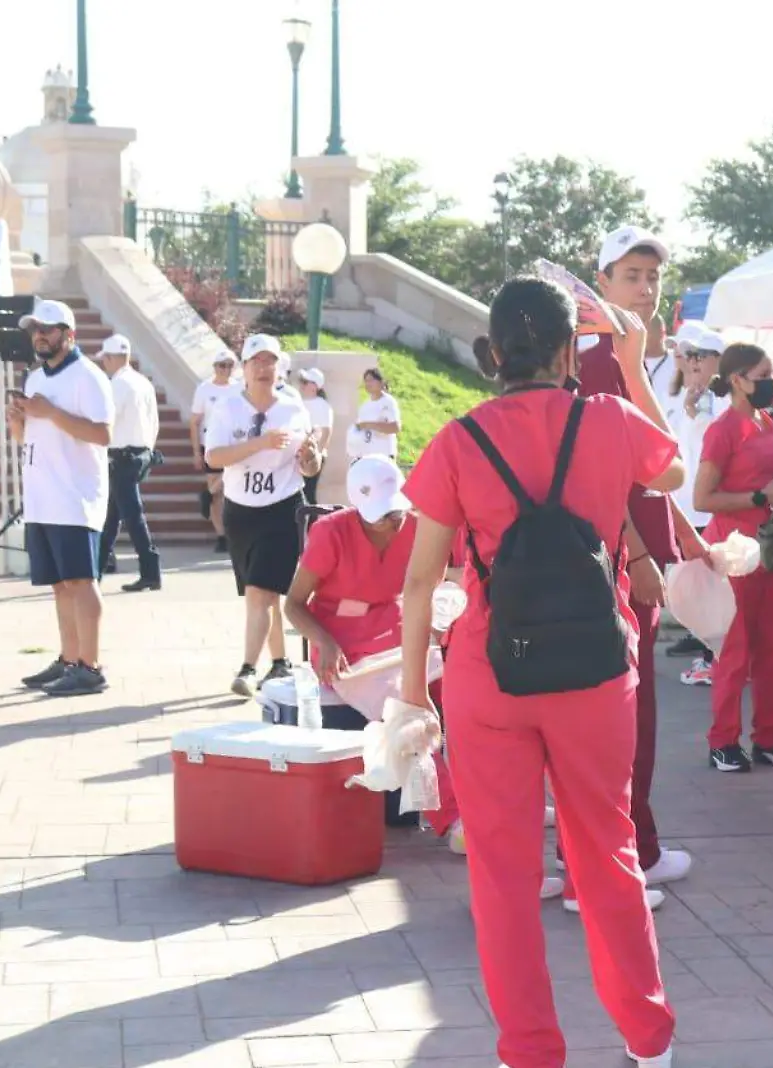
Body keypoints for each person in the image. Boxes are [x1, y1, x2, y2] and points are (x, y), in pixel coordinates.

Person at [397, 276, 682, 1068]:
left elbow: (420, 581)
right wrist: (626, 367)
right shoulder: (610, 418)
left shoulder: (457, 440)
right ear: (568, 352)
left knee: (502, 871)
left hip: (491, 675)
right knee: (608, 854)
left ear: (492, 354)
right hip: (594, 671)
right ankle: (647, 1038)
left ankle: (529, 1050)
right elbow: (674, 477)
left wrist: (413, 692)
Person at [580, 223, 707, 887]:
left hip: (638, 556)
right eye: (631, 275)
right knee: (627, 712)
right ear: (601, 282)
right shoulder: (600, 359)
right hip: (613, 565)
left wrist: (684, 533)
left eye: (653, 276)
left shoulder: (630, 355)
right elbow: (594, 473)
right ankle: (631, 853)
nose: (646, 287)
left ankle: (634, 846)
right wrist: (635, 555)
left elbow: (658, 468)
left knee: (634, 710)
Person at [281, 455, 459, 834]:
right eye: (381, 515)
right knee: (402, 711)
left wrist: (442, 626)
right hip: (344, 646)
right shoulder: (331, 531)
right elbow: (293, 605)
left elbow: (440, 583)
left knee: (462, 695)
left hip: (399, 631)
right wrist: (324, 642)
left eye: (396, 511)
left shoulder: (417, 527)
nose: (392, 522)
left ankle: (486, 801)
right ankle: (453, 818)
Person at [696, 343, 773, 774]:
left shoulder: (764, 422)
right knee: (734, 651)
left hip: (771, 548)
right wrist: (761, 494)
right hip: (733, 551)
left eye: (772, 373)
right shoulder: (723, 429)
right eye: (763, 374)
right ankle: (723, 740)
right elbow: (702, 497)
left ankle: (770, 735)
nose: (771, 381)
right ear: (738, 380)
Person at [204, 334, 322, 697]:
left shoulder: (292, 408)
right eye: (257, 361)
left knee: (261, 589)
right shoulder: (226, 408)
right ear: (244, 368)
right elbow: (214, 458)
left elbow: (310, 466)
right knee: (261, 594)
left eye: (271, 362)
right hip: (241, 511)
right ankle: (280, 662)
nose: (264, 368)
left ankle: (247, 668)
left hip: (281, 508)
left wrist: (310, 457)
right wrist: (260, 443)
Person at [11, 299, 116, 698]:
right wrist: (18, 421)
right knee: (59, 584)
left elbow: (104, 435)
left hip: (75, 496)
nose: (39, 335)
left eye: (48, 328)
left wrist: (50, 412)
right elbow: (29, 438)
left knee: (80, 580)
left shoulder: (88, 376)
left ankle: (90, 666)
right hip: (42, 496)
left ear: (68, 334)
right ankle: (69, 659)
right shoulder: (35, 378)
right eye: (35, 328)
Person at [663, 324, 726, 682]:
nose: (692, 361)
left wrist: (695, 414)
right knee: (702, 587)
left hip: (712, 505)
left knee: (713, 588)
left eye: (700, 355)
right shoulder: (692, 395)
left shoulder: (725, 398)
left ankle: (714, 659)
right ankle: (712, 654)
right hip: (691, 506)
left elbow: (716, 442)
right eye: (691, 355)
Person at [96, 333, 162, 592]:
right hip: (139, 454)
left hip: (121, 457)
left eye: (105, 359)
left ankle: (150, 570)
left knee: (130, 516)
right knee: (112, 517)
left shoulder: (117, 385)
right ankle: (96, 570)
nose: (104, 364)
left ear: (112, 358)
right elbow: (154, 421)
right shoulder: (143, 383)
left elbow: (107, 420)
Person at [190, 351, 240, 553]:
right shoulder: (204, 389)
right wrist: (196, 452)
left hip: (235, 443)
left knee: (230, 487)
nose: (226, 370)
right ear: (214, 367)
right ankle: (221, 535)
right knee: (217, 495)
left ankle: (207, 494)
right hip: (211, 443)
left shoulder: (239, 387)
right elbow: (194, 421)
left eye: (229, 365)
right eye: (222, 365)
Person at [295, 367, 334, 504]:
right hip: (299, 454)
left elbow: (326, 432)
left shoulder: (322, 405)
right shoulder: (299, 402)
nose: (302, 385)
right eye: (302, 382)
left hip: (313, 455)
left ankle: (312, 524)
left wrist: (316, 455)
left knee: (308, 493)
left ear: (315, 386)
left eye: (306, 382)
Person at [348, 368, 401, 462]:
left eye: (371, 380)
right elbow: (361, 431)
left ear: (381, 382)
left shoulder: (388, 402)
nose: (368, 383)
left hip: (385, 456)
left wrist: (369, 424)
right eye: (366, 381)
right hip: (367, 457)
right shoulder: (364, 406)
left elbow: (395, 427)